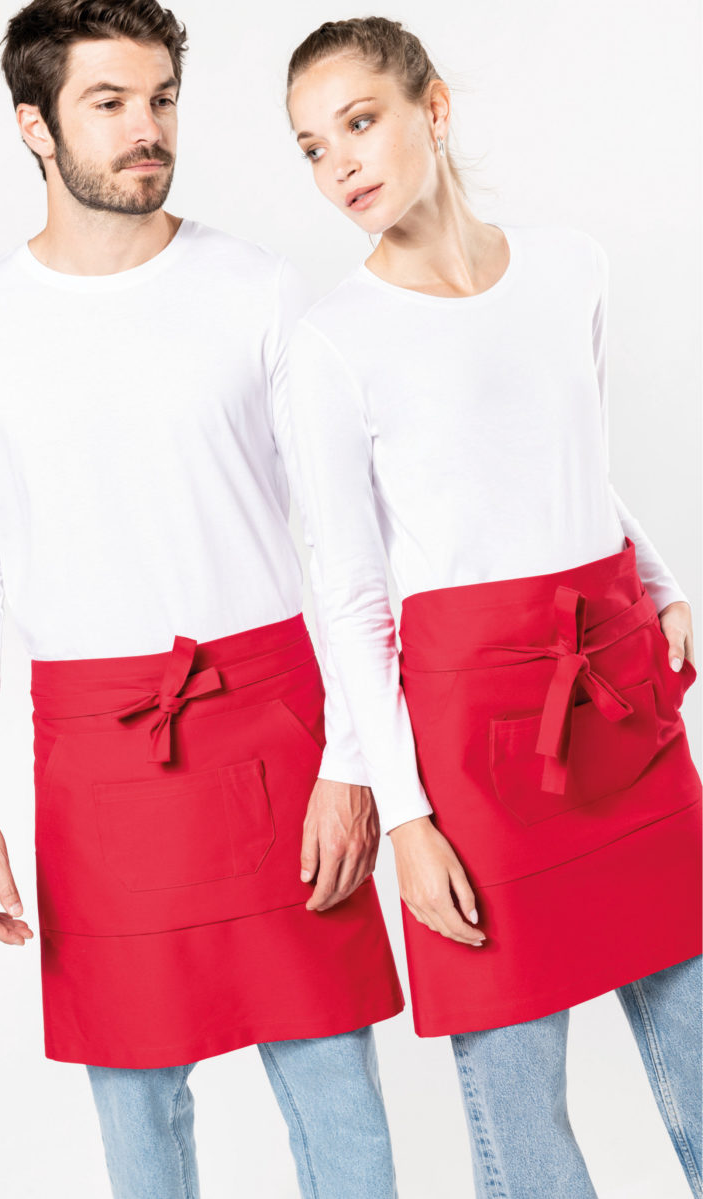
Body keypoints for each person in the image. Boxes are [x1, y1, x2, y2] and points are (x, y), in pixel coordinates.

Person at [0, 4, 406, 1197]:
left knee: (333, 1085)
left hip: (275, 731)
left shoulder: (256, 288)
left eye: (162, 99)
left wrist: (353, 758)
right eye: (109, 102)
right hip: (96, 753)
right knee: (135, 1102)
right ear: (34, 125)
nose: (148, 128)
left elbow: (350, 543)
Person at [285, 16, 702, 1198]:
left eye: (358, 122)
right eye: (312, 148)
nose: (339, 164)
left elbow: (573, 460)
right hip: (467, 745)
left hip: (612, 690)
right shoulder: (329, 343)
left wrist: (660, 582)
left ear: (432, 107)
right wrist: (404, 816)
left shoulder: (570, 267)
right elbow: (349, 594)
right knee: (516, 1106)